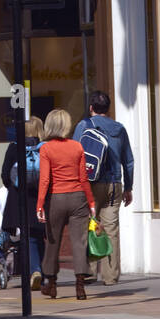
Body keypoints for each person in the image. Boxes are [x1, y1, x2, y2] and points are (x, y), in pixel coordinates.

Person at [74, 91, 134, 286]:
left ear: (91, 108)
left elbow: (75, 153)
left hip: (90, 183)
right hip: (114, 184)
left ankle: (89, 272)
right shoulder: (119, 128)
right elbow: (129, 161)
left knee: (87, 226)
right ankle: (111, 276)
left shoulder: (84, 126)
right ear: (108, 109)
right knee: (111, 229)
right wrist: (129, 187)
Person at [36, 108, 97, 300]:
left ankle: (51, 285)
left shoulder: (46, 148)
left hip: (56, 198)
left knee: (52, 242)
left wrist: (39, 205)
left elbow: (45, 179)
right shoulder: (77, 146)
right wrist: (91, 201)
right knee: (79, 242)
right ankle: (80, 287)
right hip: (78, 196)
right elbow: (84, 178)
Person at [2, 116, 45, 291]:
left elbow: (5, 174)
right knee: (38, 235)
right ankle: (40, 271)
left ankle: (35, 271)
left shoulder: (14, 148)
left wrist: (14, 187)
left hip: (19, 197)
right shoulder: (45, 148)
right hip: (40, 196)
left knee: (28, 236)